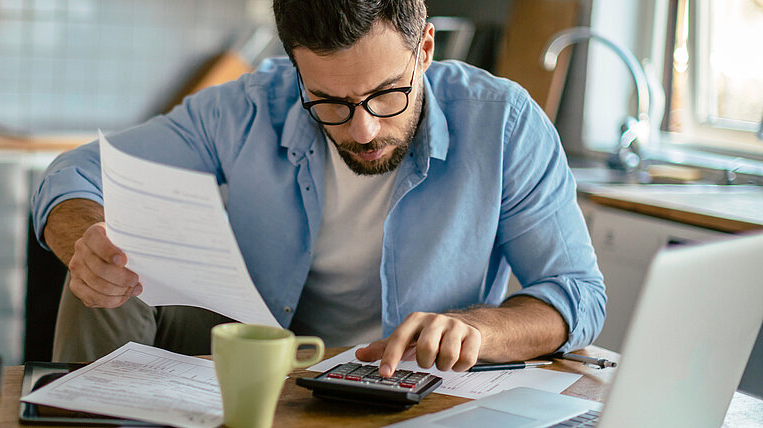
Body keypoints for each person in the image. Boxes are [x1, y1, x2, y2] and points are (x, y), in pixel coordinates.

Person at [32, 0, 606, 377]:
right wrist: (87, 238)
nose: (363, 130)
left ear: (425, 49)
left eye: (386, 94)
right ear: (296, 70)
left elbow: (577, 294)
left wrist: (479, 328)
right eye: (329, 102)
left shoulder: (503, 122)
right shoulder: (250, 105)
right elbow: (74, 174)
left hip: (404, 379)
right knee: (106, 257)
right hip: (257, 348)